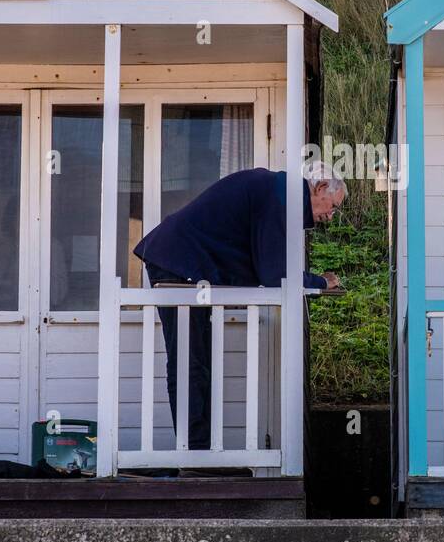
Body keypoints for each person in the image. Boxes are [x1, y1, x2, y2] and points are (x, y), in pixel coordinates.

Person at [132, 162, 345, 450]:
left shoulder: (280, 192)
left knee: (196, 361)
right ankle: (193, 455)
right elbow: (275, 275)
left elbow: (269, 268)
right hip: (177, 264)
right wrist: (320, 281)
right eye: (332, 206)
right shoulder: (279, 195)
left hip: (188, 266)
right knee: (189, 361)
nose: (330, 217)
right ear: (319, 188)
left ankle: (198, 452)